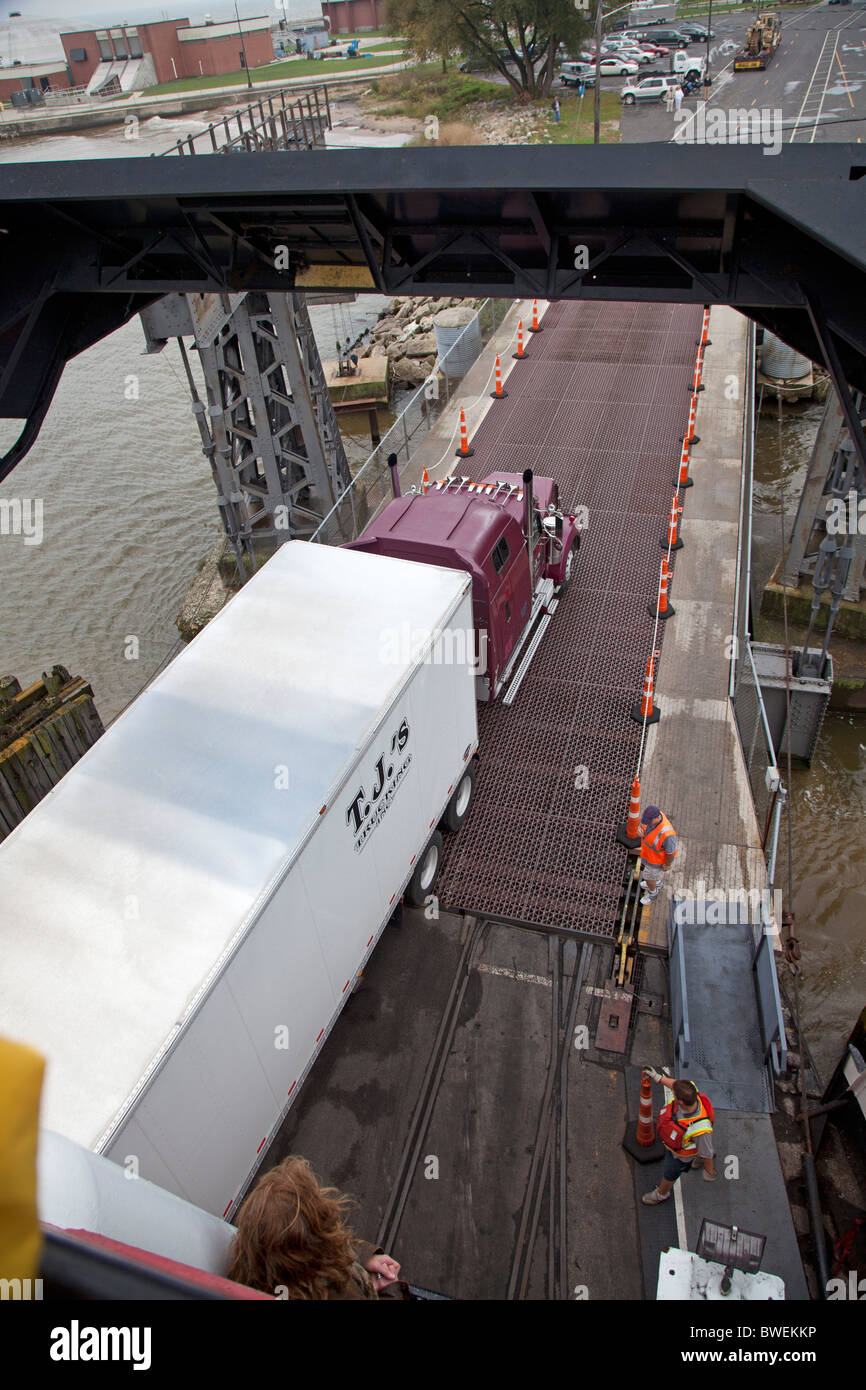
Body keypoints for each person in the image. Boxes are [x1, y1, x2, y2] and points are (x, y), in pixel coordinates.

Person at [227, 1155, 409, 1299]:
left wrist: (366, 1256)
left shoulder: (254, 1273)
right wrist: (391, 1289)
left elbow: (306, 1246)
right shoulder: (340, 1292)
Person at [641, 1074, 716, 1205]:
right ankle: (698, 1161)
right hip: (686, 1145)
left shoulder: (701, 1129)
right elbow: (674, 1084)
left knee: (670, 1173)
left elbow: (708, 1153)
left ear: (680, 1101)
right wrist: (657, 1077)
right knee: (702, 1149)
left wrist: (709, 1172)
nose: (672, 1091)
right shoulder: (691, 1093)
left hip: (680, 1157)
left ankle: (661, 1194)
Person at [638, 805, 677, 905]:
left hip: (656, 863)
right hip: (648, 856)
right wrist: (639, 829)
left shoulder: (668, 834)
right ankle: (657, 883)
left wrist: (667, 864)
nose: (646, 823)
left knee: (648, 878)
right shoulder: (651, 818)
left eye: (649, 821)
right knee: (651, 876)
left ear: (657, 817)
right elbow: (642, 824)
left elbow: (671, 853)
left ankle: (652, 893)